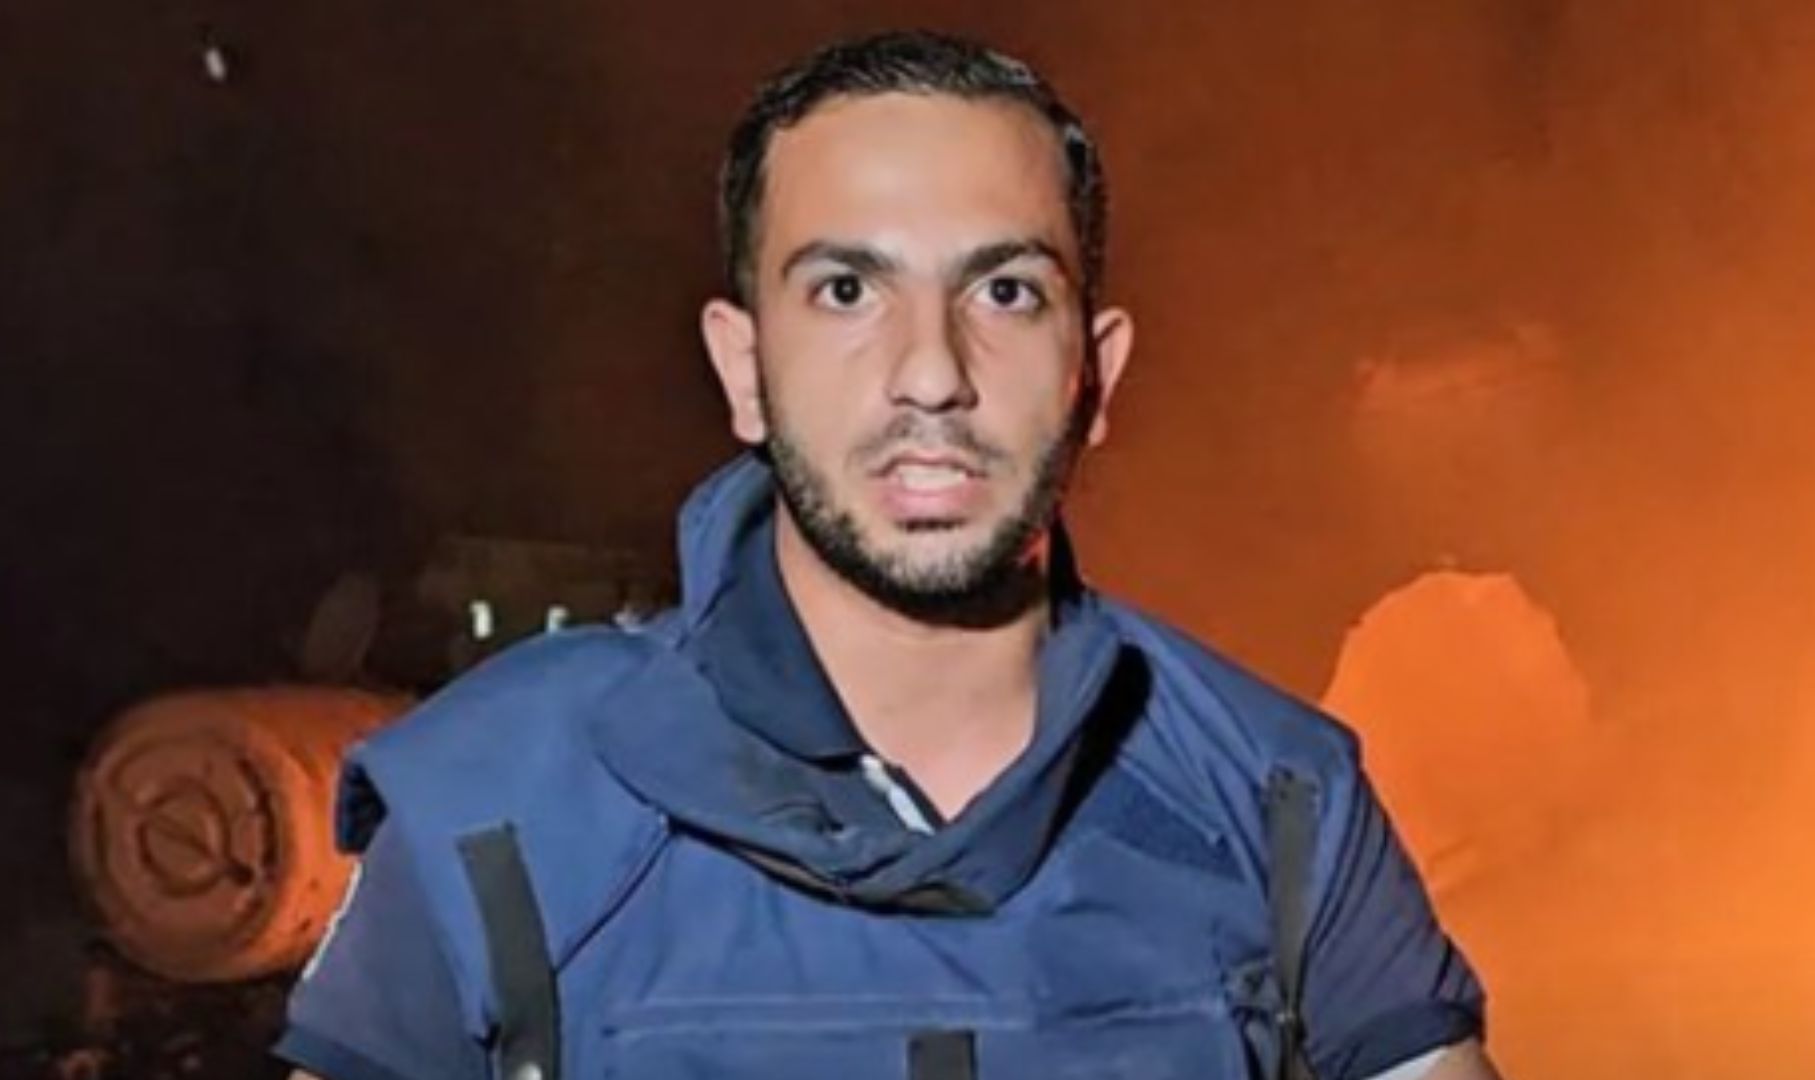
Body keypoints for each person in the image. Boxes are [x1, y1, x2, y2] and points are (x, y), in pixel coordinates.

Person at [280, 30, 1499, 1080]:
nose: (931, 372)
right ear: (744, 367)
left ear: (1097, 373)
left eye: (1006, 292)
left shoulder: (1279, 801)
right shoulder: (496, 808)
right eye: (847, 290)